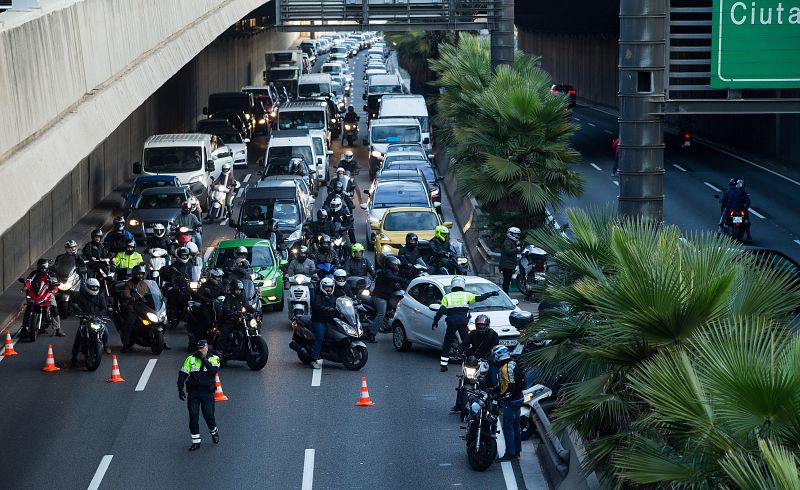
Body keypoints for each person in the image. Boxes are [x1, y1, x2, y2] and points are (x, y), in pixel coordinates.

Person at [432, 276, 499, 372]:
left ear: (453, 285)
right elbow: (479, 298)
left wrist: (435, 321)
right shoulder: (466, 295)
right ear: (462, 285)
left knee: (447, 343)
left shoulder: (447, 296)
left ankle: (443, 366)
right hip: (463, 322)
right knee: (466, 342)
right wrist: (491, 293)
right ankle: (469, 363)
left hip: (451, 322)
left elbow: (441, 310)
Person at [450, 314, 499, 413]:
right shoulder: (472, 333)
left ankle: (495, 402)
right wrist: (459, 351)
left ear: (487, 325)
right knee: (464, 379)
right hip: (474, 360)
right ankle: (459, 404)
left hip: (488, 360)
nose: (481, 327)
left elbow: (495, 349)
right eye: (479, 325)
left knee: (494, 380)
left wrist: (491, 358)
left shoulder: (493, 334)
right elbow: (465, 344)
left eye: (483, 325)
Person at [177, 339, 221, 451]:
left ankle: (214, 431)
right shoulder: (190, 359)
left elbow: (212, 371)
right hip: (194, 393)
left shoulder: (214, 358)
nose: (200, 350)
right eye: (199, 348)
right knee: (193, 416)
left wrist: (203, 359)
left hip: (207, 392)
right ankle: (196, 442)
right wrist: (180, 388)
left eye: (202, 348)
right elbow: (182, 374)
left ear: (207, 348)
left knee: (209, 416)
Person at [489, 345, 525, 462]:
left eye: (495, 355)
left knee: (508, 427)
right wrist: (495, 389)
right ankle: (517, 451)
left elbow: (510, 386)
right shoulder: (512, 364)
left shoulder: (505, 368)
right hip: (518, 399)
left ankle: (510, 453)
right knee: (515, 426)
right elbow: (505, 384)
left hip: (512, 401)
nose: (493, 357)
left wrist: (499, 396)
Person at [64, 278, 111, 367]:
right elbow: (77, 307)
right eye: (92, 287)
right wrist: (78, 312)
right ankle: (74, 357)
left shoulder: (100, 297)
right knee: (79, 335)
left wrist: (100, 315)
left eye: (95, 287)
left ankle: (105, 344)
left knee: (105, 331)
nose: (94, 289)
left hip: (97, 320)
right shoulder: (82, 297)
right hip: (85, 320)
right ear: (88, 287)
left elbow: (104, 308)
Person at [21, 259, 63, 339]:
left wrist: (55, 289)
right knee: (28, 307)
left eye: (44, 268)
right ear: (38, 268)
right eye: (41, 268)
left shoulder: (50, 274)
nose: (42, 270)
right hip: (35, 294)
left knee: (54, 307)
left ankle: (58, 328)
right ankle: (24, 328)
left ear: (47, 268)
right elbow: (29, 280)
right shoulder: (34, 273)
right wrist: (26, 287)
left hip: (47, 293)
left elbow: (55, 283)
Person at [371, 255, 407, 341]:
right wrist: (404, 280)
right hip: (380, 297)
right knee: (381, 314)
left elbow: (392, 284)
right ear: (390, 265)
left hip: (387, 296)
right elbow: (392, 278)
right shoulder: (385, 272)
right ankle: (372, 334)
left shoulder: (391, 272)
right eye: (395, 265)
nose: (397, 267)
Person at [220, 280, 258, 354]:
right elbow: (226, 308)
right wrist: (232, 312)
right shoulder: (228, 298)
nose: (239, 292)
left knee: (250, 327)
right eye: (237, 290)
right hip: (228, 320)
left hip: (238, 320)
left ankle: (244, 346)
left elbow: (247, 306)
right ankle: (222, 352)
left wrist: (255, 311)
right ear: (233, 290)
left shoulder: (241, 297)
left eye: (240, 290)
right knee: (225, 334)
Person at [119, 265, 150, 352]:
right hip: (133, 306)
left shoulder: (144, 283)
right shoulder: (129, 283)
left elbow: (150, 292)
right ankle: (125, 344)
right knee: (130, 322)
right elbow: (126, 293)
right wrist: (130, 297)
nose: (140, 276)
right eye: (138, 274)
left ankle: (162, 342)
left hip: (144, 306)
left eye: (142, 274)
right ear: (134, 274)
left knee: (160, 319)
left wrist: (160, 297)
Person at [190, 269, 225, 346]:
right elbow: (198, 295)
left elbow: (223, 294)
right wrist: (207, 300)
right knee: (204, 321)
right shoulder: (205, 285)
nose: (218, 279)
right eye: (217, 277)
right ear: (212, 277)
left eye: (219, 277)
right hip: (207, 307)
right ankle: (200, 339)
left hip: (217, 307)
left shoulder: (220, 285)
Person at [310, 277, 337, 368]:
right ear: (322, 287)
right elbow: (316, 305)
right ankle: (314, 359)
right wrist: (323, 308)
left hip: (330, 320)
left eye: (330, 287)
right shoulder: (319, 295)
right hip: (319, 320)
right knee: (320, 337)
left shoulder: (333, 297)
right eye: (326, 287)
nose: (328, 289)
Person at [499, 227, 521, 294]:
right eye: (515, 234)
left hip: (509, 264)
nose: (516, 236)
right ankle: (505, 293)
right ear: (510, 234)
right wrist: (517, 249)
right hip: (506, 265)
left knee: (508, 280)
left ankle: (506, 292)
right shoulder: (507, 242)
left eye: (517, 234)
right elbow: (508, 251)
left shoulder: (512, 242)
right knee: (506, 280)